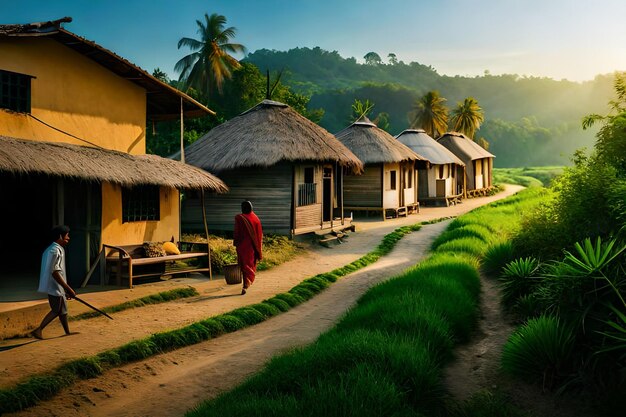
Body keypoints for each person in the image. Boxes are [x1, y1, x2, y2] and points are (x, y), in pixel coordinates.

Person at [30, 225, 77, 339]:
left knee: (63, 310)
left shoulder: (53, 249)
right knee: (56, 310)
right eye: (67, 236)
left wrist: (65, 289)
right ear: (60, 236)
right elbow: (55, 272)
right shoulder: (54, 251)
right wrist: (68, 288)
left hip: (57, 286)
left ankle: (67, 332)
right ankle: (38, 330)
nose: (68, 238)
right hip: (55, 286)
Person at [233, 201, 263, 295]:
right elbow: (260, 235)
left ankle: (246, 284)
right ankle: (246, 284)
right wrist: (258, 249)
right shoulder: (256, 218)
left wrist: (236, 242)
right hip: (253, 248)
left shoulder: (240, 218)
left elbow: (237, 232)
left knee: (244, 265)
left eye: (242, 207)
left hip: (243, 247)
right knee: (249, 265)